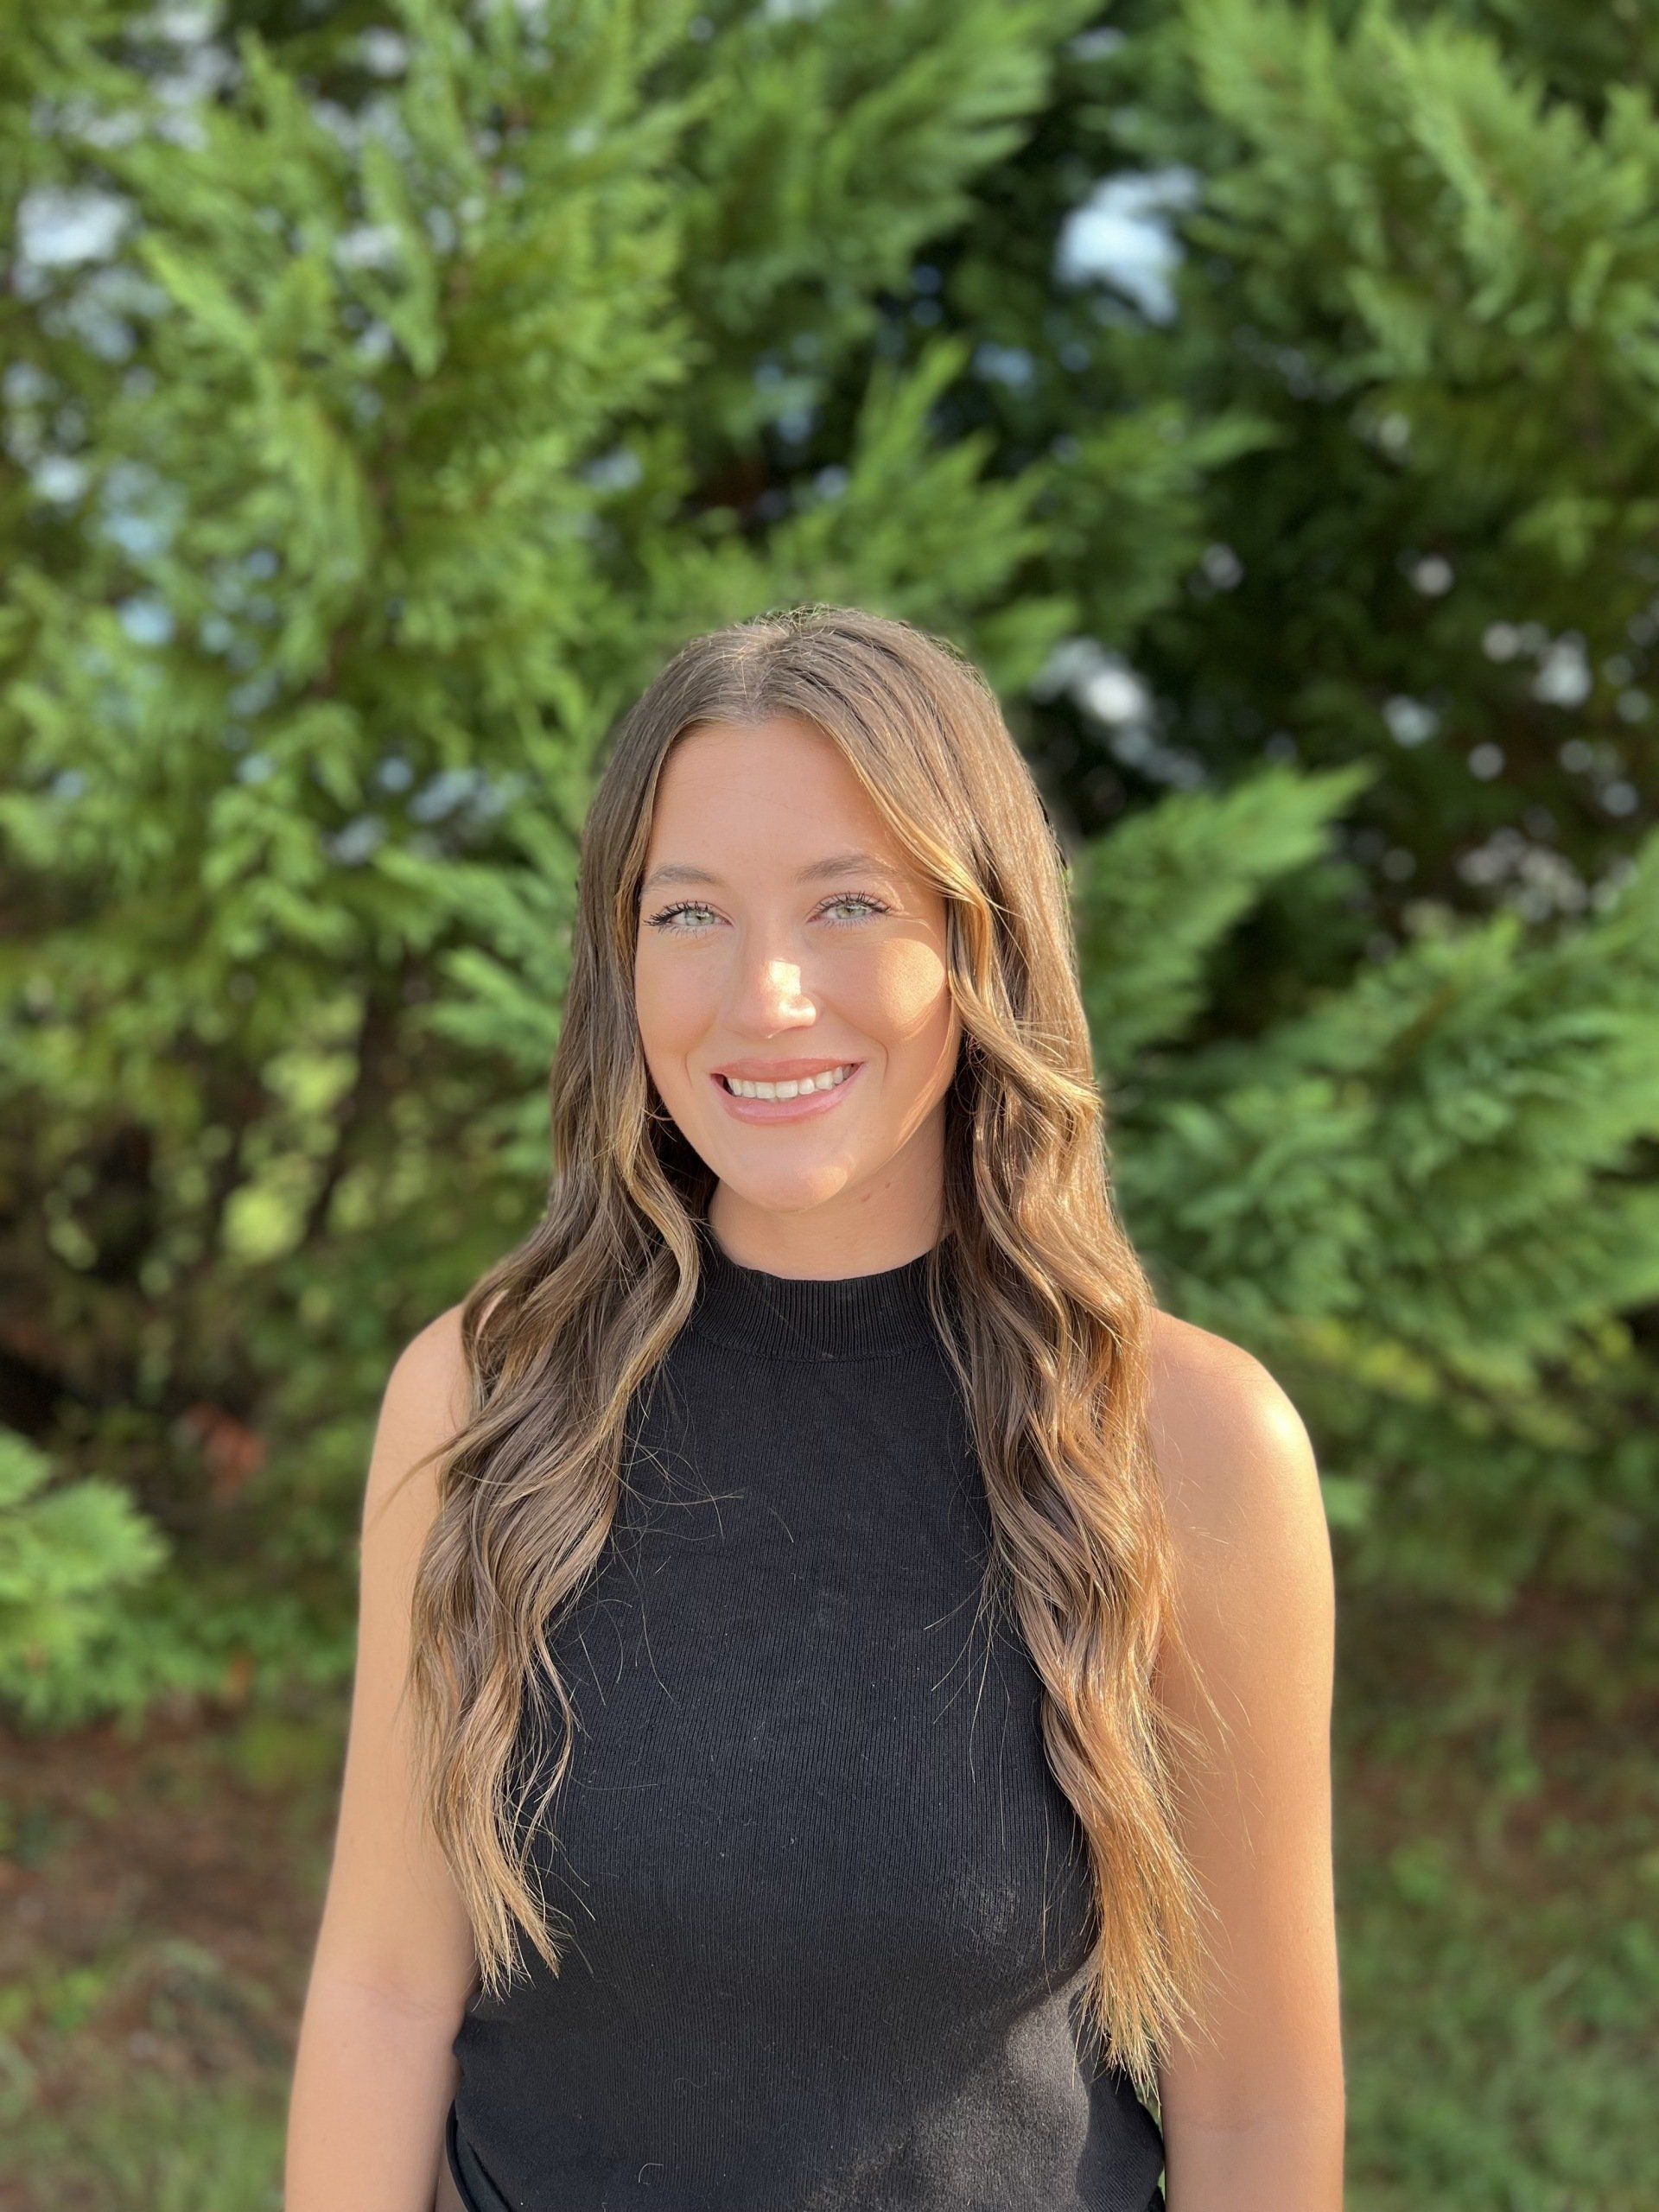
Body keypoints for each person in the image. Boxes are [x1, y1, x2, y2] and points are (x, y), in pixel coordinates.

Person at [285, 604, 1344, 2212]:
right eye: (689, 912)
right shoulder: (487, 1398)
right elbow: (383, 1994)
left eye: (849, 903)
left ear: (977, 940)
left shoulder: (1184, 1442)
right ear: (620, 953)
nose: (766, 996)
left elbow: (1255, 2109)